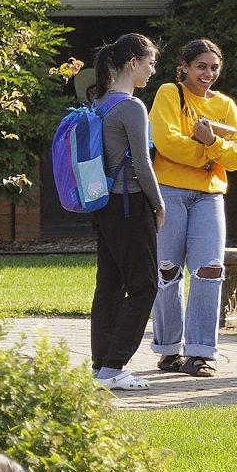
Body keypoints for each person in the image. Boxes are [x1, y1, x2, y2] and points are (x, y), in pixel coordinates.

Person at [147, 38, 237, 377]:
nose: (208, 73)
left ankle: (202, 353)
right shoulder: (168, 93)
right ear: (186, 67)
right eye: (201, 66)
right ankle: (167, 350)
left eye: (214, 67)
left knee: (210, 269)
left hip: (210, 196)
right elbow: (166, 142)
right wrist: (211, 153)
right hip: (170, 193)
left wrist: (212, 142)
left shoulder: (225, 105)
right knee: (168, 270)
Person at [81, 33, 164, 390]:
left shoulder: (98, 102)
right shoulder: (131, 106)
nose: (152, 70)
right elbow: (143, 165)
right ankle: (115, 366)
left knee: (111, 284)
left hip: (104, 203)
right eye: (150, 63)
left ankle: (103, 366)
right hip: (130, 202)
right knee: (145, 285)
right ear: (132, 63)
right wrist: (159, 204)